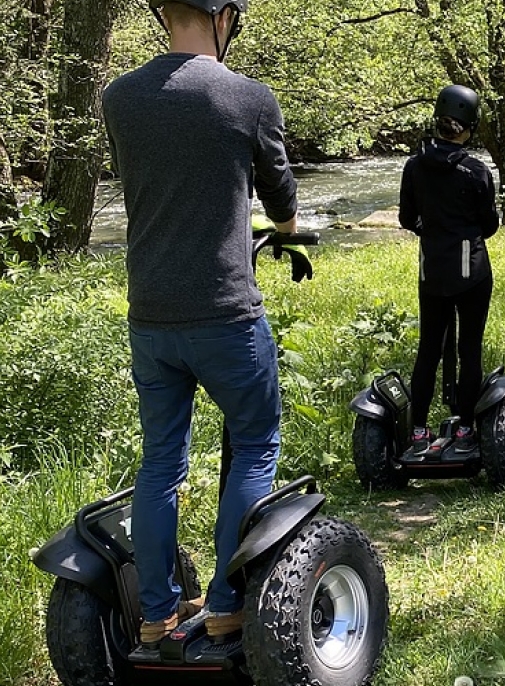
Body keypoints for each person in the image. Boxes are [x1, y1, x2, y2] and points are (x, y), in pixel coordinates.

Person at [102, 0, 298, 647]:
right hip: (226, 316)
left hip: (151, 319)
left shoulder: (119, 99)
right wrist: (287, 231)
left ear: (163, 14)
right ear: (225, 17)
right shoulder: (249, 98)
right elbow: (282, 204)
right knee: (254, 442)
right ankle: (224, 604)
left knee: (161, 461)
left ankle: (156, 615)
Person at [398, 84, 500, 458]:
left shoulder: (414, 165)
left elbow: (407, 218)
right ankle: (466, 430)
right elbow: (489, 225)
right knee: (468, 348)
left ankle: (420, 432)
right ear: (469, 126)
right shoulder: (475, 170)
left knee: (429, 349)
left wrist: (433, 230)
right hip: (470, 270)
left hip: (433, 270)